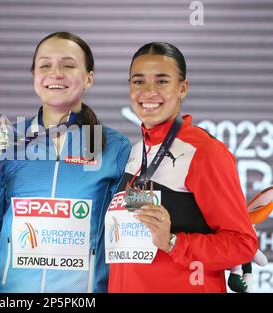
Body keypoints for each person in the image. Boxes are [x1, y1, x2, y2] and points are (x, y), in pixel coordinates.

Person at [0, 32, 131, 293]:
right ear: (34, 76)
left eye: (68, 65)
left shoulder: (114, 146)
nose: (56, 73)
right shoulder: (8, 142)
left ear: (89, 77)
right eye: (45, 65)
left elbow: (123, 242)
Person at [106, 42, 258, 292]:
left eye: (162, 81)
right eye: (138, 81)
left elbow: (241, 244)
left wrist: (173, 242)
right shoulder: (134, 153)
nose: (149, 91)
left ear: (182, 88)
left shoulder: (204, 152)